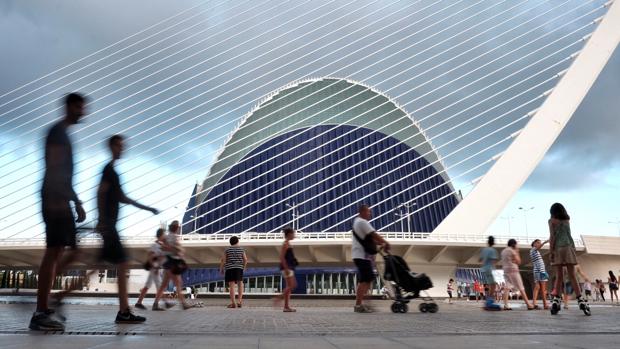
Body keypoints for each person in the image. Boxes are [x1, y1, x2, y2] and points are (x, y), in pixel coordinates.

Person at [30, 93, 88, 331]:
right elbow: (55, 168)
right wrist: (64, 201)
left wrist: (75, 201)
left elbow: (62, 172)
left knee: (65, 251)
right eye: (79, 107)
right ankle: (40, 311)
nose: (83, 112)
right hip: (55, 199)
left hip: (61, 198)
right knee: (53, 252)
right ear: (68, 107)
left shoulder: (63, 134)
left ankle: (46, 304)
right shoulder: (58, 133)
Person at [96, 135, 159, 323]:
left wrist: (148, 208)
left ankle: (58, 297)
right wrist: (102, 220)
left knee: (100, 267)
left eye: (123, 146)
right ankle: (124, 312)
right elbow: (100, 193)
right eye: (120, 145)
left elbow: (124, 198)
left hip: (109, 225)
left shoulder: (113, 172)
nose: (123, 148)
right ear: (111, 146)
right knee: (122, 263)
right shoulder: (108, 170)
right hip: (109, 225)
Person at [548, 203, 590, 315]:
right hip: (568, 248)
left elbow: (552, 237)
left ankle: (556, 301)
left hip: (558, 249)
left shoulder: (551, 221)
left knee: (559, 276)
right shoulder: (567, 220)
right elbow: (568, 235)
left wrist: (551, 251)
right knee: (572, 276)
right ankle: (581, 300)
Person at [351, 205, 391, 313]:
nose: (370, 214)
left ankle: (364, 304)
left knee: (367, 279)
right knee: (365, 280)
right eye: (368, 212)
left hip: (360, 256)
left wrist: (380, 243)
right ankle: (359, 305)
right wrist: (385, 242)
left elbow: (369, 239)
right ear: (362, 212)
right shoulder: (362, 222)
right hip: (362, 256)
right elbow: (374, 235)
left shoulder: (356, 222)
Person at [152, 220, 193, 310]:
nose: (178, 228)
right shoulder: (174, 237)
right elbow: (173, 249)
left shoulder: (166, 237)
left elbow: (161, 245)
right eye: (178, 227)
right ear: (176, 228)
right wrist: (179, 251)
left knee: (164, 285)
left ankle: (155, 304)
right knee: (178, 283)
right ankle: (183, 304)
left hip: (168, 263)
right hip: (173, 263)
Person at [135, 228, 166, 309]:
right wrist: (155, 267)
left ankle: (138, 303)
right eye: (164, 234)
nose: (165, 236)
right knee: (160, 286)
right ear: (161, 235)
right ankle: (158, 305)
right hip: (155, 267)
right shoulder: (155, 245)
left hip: (156, 268)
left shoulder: (160, 245)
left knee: (147, 285)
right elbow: (150, 257)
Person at [501, 239, 533, 310]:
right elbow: (518, 261)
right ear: (514, 244)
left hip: (506, 270)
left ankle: (506, 305)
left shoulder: (503, 251)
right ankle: (528, 305)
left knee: (507, 287)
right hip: (513, 270)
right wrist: (517, 251)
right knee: (521, 287)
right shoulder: (512, 251)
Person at [219, 236, 247, 309]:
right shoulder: (242, 249)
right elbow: (245, 259)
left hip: (229, 268)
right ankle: (239, 301)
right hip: (239, 268)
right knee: (240, 284)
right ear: (237, 241)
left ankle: (233, 303)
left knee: (231, 285)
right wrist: (244, 267)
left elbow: (223, 260)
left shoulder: (227, 250)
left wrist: (221, 269)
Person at [274, 227, 298, 312]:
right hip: (287, 267)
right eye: (293, 233)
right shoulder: (285, 244)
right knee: (292, 285)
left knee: (289, 286)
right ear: (289, 234)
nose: (294, 235)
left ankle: (286, 307)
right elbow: (282, 257)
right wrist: (286, 268)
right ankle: (278, 298)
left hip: (289, 267)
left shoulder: (288, 243)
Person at [479, 236, 501, 310]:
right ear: (493, 242)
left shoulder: (484, 250)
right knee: (493, 285)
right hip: (490, 269)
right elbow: (494, 261)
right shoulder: (493, 250)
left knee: (490, 285)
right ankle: (489, 302)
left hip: (484, 269)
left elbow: (480, 259)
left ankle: (488, 301)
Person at [530, 239, 550, 309]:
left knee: (537, 287)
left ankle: (534, 303)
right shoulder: (533, 250)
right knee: (543, 288)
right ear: (534, 243)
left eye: (540, 243)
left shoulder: (533, 251)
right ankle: (545, 305)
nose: (539, 244)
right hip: (540, 270)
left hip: (537, 270)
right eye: (538, 243)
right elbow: (538, 247)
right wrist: (544, 242)